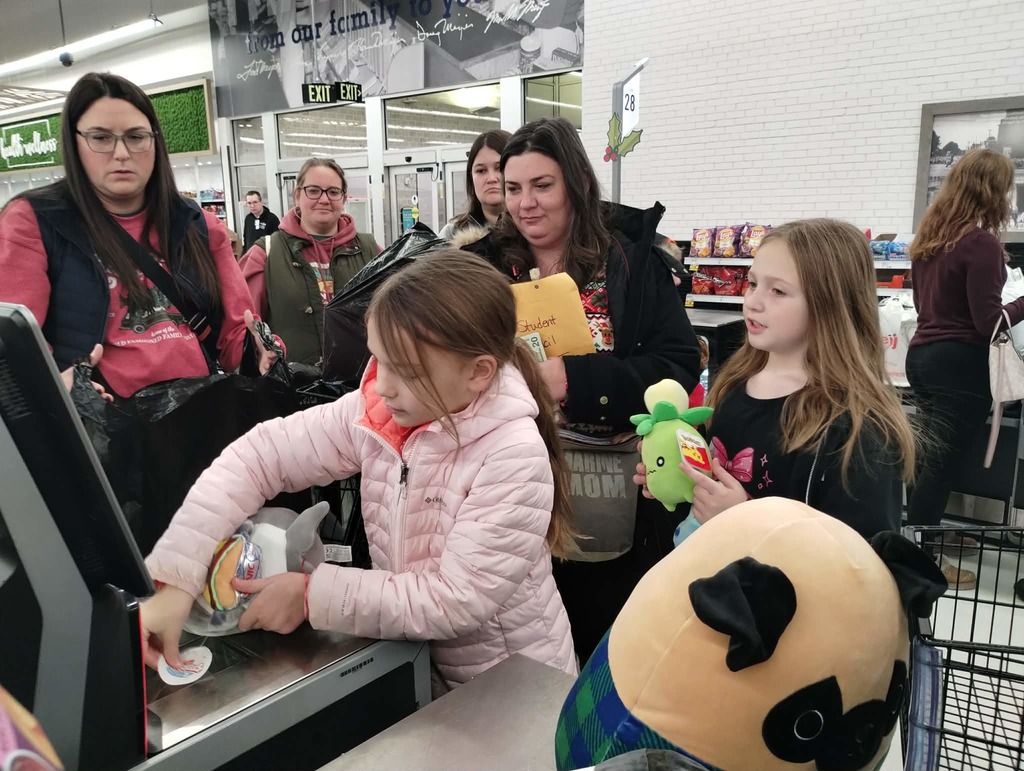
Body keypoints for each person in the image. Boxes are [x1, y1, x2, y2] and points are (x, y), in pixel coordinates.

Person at [139, 250, 576, 691]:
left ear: (478, 372)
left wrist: (311, 597)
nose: (382, 386)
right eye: (378, 360)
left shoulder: (511, 454)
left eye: (405, 371)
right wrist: (176, 578)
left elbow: (454, 598)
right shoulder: (383, 413)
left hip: (514, 689)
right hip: (427, 667)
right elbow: (260, 455)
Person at [460, 117, 703, 660]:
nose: (525, 203)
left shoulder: (629, 262)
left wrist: (576, 379)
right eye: (515, 187)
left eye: (542, 186)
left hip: (611, 492)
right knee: (520, 650)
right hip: (508, 487)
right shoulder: (483, 269)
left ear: (578, 184)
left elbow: (679, 362)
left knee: (603, 644)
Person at [634, 219, 916, 546]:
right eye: (753, 284)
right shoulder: (734, 385)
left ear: (831, 304)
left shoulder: (858, 429)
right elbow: (714, 491)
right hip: (710, 584)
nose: (753, 301)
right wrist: (678, 474)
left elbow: (861, 564)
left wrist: (745, 520)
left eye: (778, 290)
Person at [0, 72, 275, 400]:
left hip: (202, 417)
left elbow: (235, 332)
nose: (121, 153)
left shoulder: (196, 223)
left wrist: (258, 350)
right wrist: (56, 391)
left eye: (135, 136)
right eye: (100, 138)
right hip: (102, 428)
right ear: (75, 143)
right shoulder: (34, 221)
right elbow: (14, 348)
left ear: (154, 141)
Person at [906, 148, 1024, 588]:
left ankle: (923, 538)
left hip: (923, 358)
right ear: (993, 191)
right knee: (942, 466)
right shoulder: (981, 244)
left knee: (928, 460)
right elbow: (988, 323)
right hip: (961, 365)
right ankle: (920, 562)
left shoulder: (929, 240)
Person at [239, 158, 380, 367]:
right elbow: (243, 321)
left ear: (343, 198)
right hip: (293, 389)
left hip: (360, 387)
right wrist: (259, 348)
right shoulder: (265, 253)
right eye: (313, 190)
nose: (324, 199)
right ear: (297, 195)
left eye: (333, 192)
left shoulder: (370, 250)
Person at [438, 129, 511, 241]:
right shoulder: (451, 234)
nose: (491, 179)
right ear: (471, 178)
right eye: (481, 171)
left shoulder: (533, 230)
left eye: (500, 168)